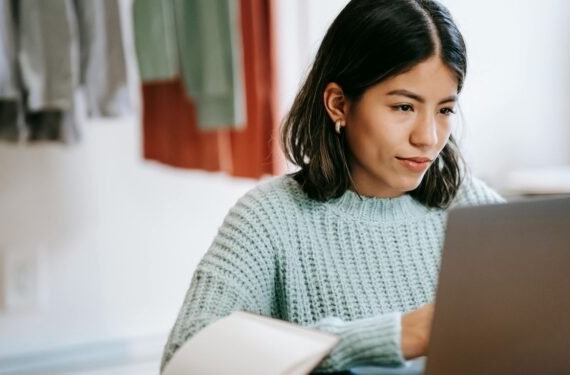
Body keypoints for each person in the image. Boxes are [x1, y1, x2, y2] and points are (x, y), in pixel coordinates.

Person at [160, 0, 504, 372]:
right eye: (404, 107)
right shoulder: (269, 218)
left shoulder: (470, 205)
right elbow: (185, 358)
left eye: (445, 110)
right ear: (339, 104)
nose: (428, 137)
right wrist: (391, 336)